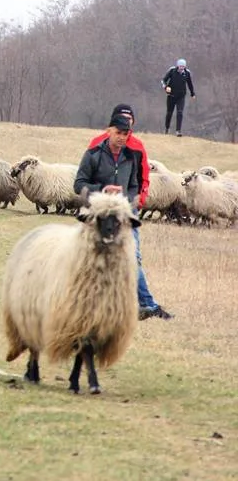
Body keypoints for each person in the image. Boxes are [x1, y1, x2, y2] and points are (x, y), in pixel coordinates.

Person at [87, 103, 173, 320]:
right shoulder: (97, 145)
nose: (126, 126)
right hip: (101, 212)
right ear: (111, 125)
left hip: (125, 212)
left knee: (132, 256)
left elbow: (141, 177)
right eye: (122, 120)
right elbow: (83, 180)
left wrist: (137, 201)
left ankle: (147, 304)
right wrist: (100, 194)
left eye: (130, 120)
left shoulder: (136, 147)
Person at [161, 59, 195, 136]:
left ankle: (178, 131)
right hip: (171, 96)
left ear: (185, 66)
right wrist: (166, 87)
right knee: (169, 113)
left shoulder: (187, 73)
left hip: (181, 96)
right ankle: (167, 128)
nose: (181, 68)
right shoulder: (172, 71)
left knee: (180, 112)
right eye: (180, 66)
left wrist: (192, 93)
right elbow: (163, 80)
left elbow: (190, 84)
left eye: (183, 66)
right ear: (178, 66)